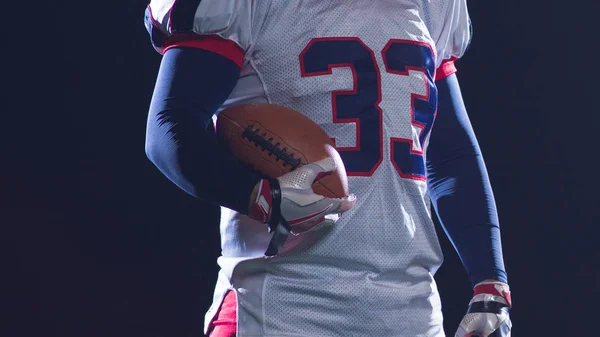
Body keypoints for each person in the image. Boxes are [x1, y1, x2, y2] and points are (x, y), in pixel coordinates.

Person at [143, 0, 512, 336]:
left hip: (409, 314)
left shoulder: (436, 7)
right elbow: (170, 125)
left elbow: (450, 155)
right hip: (279, 309)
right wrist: (262, 197)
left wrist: (490, 281)